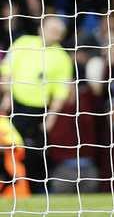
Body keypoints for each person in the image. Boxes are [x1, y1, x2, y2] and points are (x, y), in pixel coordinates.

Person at [0, 16, 74, 191]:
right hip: (13, 107)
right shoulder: (23, 43)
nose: (54, 33)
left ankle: (33, 190)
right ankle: (8, 187)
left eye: (58, 31)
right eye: (51, 28)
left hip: (39, 112)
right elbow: (7, 69)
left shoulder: (62, 57)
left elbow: (60, 93)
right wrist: (6, 95)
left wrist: (51, 118)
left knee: (34, 154)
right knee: (7, 147)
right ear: (42, 28)